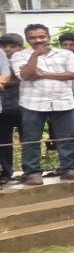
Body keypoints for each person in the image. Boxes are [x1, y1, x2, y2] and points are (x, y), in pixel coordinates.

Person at [12, 23, 74, 184]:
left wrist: (44, 74)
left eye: (41, 36)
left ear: (48, 37)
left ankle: (68, 169)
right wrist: (35, 56)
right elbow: (26, 75)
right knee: (31, 138)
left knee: (66, 137)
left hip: (63, 102)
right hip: (32, 103)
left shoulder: (65, 54)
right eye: (33, 38)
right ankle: (32, 172)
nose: (38, 40)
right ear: (27, 39)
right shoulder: (20, 56)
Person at [0, 33, 23, 183]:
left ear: (20, 48)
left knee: (28, 139)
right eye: (4, 46)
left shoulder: (24, 60)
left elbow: (25, 77)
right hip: (3, 109)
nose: (8, 49)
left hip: (23, 106)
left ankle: (31, 170)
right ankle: (6, 172)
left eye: (12, 46)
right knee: (4, 141)